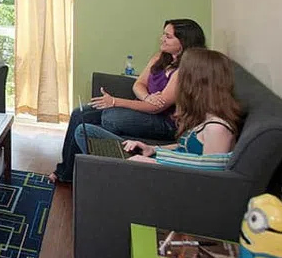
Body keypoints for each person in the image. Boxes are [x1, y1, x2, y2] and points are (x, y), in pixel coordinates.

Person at [48, 18, 207, 183]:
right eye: (163, 34)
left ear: (183, 42)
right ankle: (66, 171)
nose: (162, 39)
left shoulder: (185, 70)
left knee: (110, 118)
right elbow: (138, 84)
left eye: (168, 36)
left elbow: (156, 108)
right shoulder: (160, 57)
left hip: (165, 122)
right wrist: (146, 96)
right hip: (145, 108)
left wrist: (115, 102)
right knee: (79, 113)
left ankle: (89, 168)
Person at [75, 48, 241, 168]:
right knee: (85, 131)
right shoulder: (202, 116)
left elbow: (206, 174)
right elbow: (185, 149)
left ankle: (102, 176)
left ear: (196, 83)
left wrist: (155, 162)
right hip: (159, 161)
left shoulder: (217, 128)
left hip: (162, 175)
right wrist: (153, 149)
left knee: (98, 132)